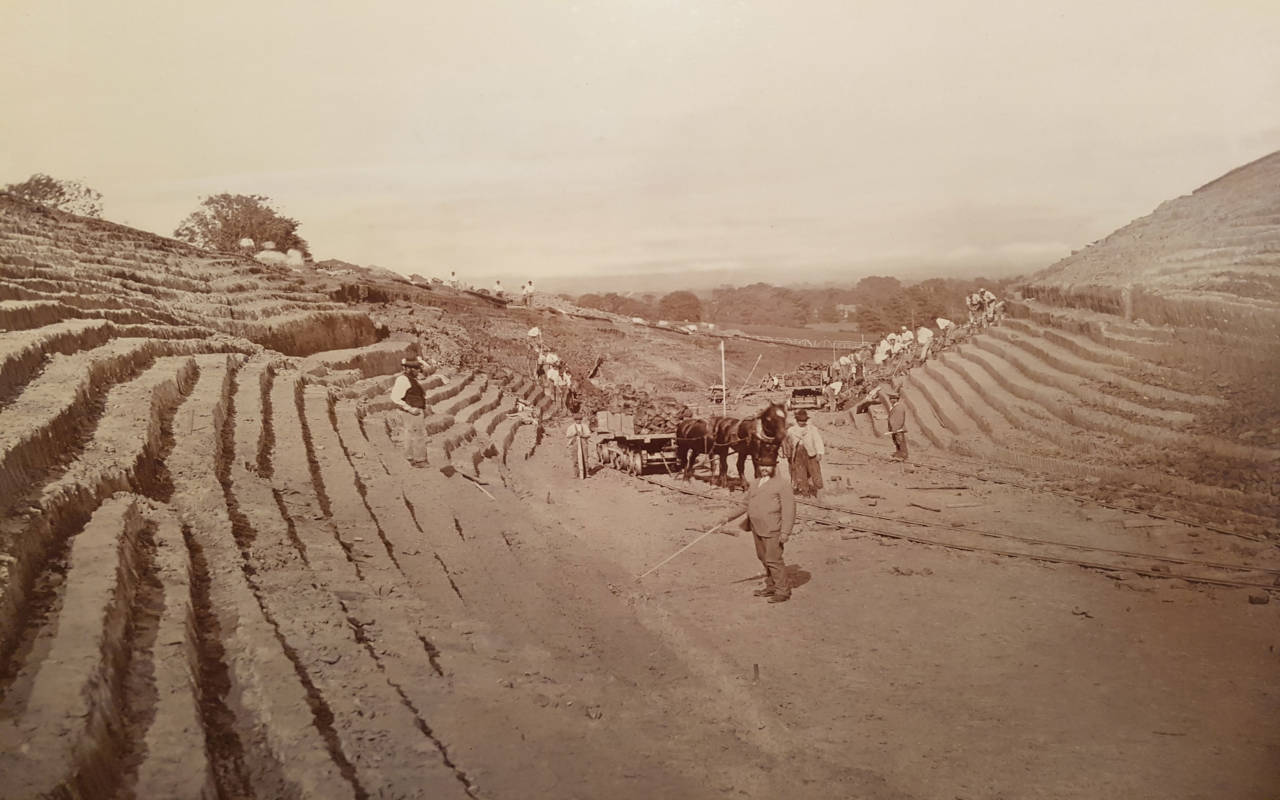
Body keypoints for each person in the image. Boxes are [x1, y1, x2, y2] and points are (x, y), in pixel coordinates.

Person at [714, 461, 795, 603]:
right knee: (763, 557)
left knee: (773, 559)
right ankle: (771, 586)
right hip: (756, 527)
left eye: (768, 465)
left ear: (775, 466)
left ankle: (783, 591)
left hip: (773, 528)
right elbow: (745, 504)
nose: (764, 468)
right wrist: (727, 517)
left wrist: (785, 532)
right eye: (762, 465)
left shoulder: (783, 484)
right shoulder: (755, 483)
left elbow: (789, 509)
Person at [390, 358, 430, 466]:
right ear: (408, 369)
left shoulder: (411, 378)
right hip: (412, 412)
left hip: (414, 411)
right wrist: (410, 409)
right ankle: (420, 460)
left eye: (418, 368)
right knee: (418, 435)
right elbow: (395, 397)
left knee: (411, 434)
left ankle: (410, 458)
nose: (418, 371)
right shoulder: (403, 380)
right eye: (416, 369)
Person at [786, 409, 824, 498]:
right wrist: (788, 453)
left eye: (804, 421)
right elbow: (787, 442)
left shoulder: (812, 429)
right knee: (800, 473)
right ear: (796, 420)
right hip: (797, 454)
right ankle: (805, 492)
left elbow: (818, 441)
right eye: (800, 421)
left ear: (806, 420)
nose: (802, 422)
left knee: (815, 471)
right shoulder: (791, 430)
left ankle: (819, 490)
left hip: (811, 453)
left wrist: (819, 452)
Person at [882, 388, 909, 461]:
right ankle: (898, 453)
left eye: (892, 398)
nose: (890, 400)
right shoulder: (895, 407)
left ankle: (903, 455)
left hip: (898, 428)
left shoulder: (899, 407)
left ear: (896, 399)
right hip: (895, 428)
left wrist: (895, 429)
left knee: (900, 441)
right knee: (896, 441)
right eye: (890, 398)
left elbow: (899, 419)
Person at [565, 411, 592, 478]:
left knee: (585, 458)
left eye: (580, 419)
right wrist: (574, 434)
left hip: (583, 443)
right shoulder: (571, 427)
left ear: (581, 420)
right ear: (575, 420)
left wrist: (583, 435)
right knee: (575, 459)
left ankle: (587, 473)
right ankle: (576, 474)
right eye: (577, 419)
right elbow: (567, 435)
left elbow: (588, 435)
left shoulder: (585, 426)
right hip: (575, 443)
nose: (578, 421)